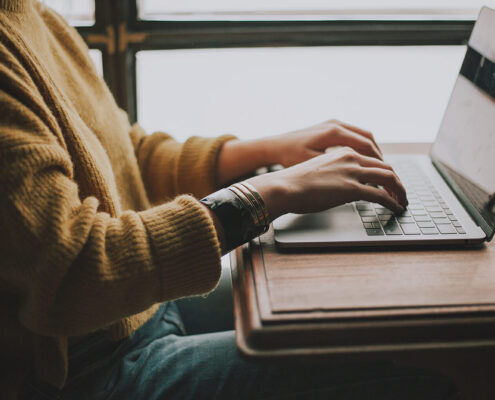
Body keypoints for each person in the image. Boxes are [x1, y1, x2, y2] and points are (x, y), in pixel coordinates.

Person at [0, 1, 458, 399]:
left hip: (138, 308)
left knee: (371, 312)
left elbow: (124, 154)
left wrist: (266, 151)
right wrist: (267, 194)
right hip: (84, 372)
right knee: (408, 362)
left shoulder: (34, 15)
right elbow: (74, 272)